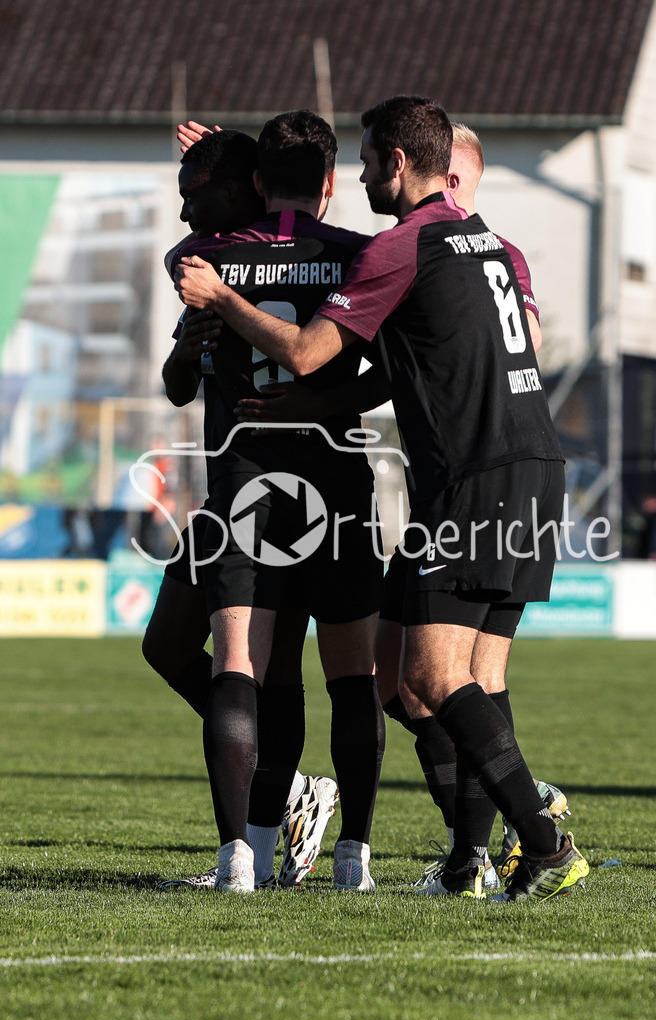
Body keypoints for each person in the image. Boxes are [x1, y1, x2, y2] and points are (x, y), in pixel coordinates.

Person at [174, 94, 590, 903]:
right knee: (443, 677)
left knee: (428, 678)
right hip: (534, 465)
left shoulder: (402, 247)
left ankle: (541, 837)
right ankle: (469, 864)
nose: (359, 175)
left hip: (472, 479)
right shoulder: (491, 246)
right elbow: (400, 370)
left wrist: (222, 300)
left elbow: (301, 349)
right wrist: (310, 409)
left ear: (398, 162)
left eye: (366, 161)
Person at [170, 110, 386, 894]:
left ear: (254, 182)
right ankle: (354, 860)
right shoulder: (366, 258)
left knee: (241, 666)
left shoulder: (202, 257)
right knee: (350, 677)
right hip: (338, 481)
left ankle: (239, 861)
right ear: (332, 183)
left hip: (247, 480)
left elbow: (204, 254)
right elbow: (394, 371)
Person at [143, 129, 339, 890]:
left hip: (294, 492)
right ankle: (294, 794)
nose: (186, 206)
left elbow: (295, 168)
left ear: (250, 185)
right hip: (230, 487)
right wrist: (186, 353)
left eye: (199, 190)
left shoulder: (219, 262)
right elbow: (177, 385)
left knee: (269, 669)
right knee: (166, 648)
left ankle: (260, 836)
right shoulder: (210, 262)